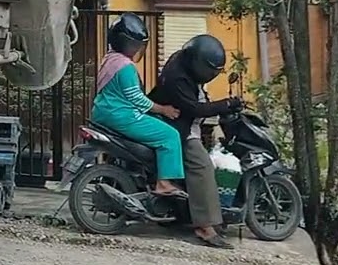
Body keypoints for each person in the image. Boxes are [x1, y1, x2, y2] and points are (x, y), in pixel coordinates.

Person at [148, 34, 243, 250]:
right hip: (176, 125)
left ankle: (185, 213)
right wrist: (225, 104)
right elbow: (194, 109)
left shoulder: (182, 61)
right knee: (202, 166)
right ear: (199, 64)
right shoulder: (177, 76)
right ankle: (205, 226)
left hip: (182, 122)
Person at [91, 13, 185, 198]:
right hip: (120, 115)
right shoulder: (125, 66)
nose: (136, 49)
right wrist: (163, 109)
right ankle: (164, 183)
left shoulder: (109, 59)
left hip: (103, 112)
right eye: (134, 44)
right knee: (169, 136)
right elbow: (137, 99)